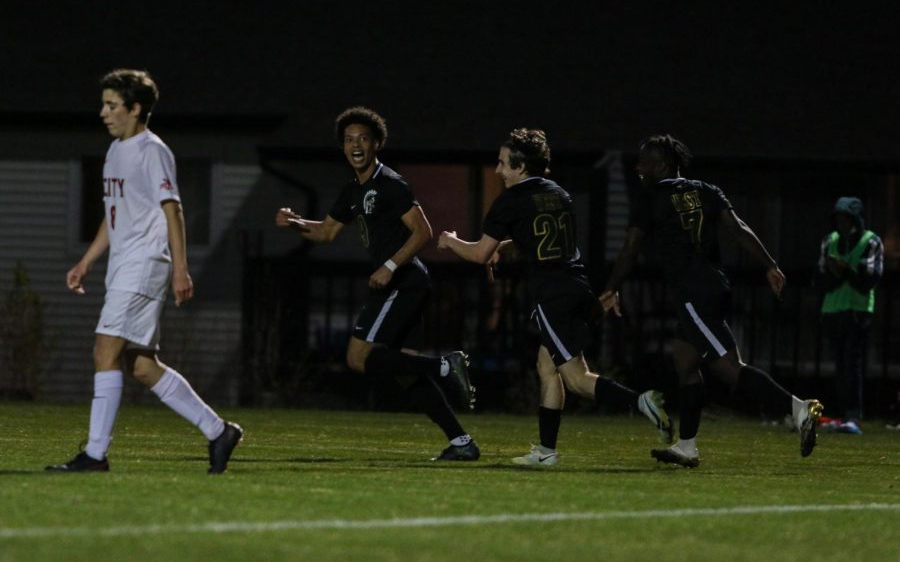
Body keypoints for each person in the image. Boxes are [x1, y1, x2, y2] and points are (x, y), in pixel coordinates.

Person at [438, 128, 672, 467]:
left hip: (553, 294)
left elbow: (477, 254)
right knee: (546, 367)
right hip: (577, 285)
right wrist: (503, 248)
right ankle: (546, 453)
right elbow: (537, 238)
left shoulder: (510, 201)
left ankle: (641, 403)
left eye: (503, 163)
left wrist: (449, 240)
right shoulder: (559, 194)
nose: (498, 170)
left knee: (576, 379)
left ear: (520, 168)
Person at [47, 69, 242, 474]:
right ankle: (219, 430)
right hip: (124, 265)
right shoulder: (116, 151)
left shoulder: (152, 150)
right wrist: (87, 261)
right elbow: (114, 214)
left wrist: (181, 269)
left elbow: (174, 209)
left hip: (145, 264)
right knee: (141, 365)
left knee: (105, 349)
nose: (103, 112)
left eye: (112, 105)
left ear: (135, 109)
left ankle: (96, 455)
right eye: (104, 104)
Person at [599, 134, 823, 468]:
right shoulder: (705, 190)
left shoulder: (651, 197)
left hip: (692, 292)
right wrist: (770, 265)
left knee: (730, 369)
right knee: (686, 363)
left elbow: (631, 249)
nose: (638, 167)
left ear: (661, 165)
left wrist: (611, 287)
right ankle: (687, 447)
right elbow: (738, 228)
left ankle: (798, 408)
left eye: (644, 161)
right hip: (712, 285)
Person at [275, 106, 479, 461]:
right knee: (405, 373)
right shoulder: (353, 190)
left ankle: (445, 365)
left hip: (404, 281)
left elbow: (423, 232)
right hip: (404, 283)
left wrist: (388, 265)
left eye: (363, 140)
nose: (356, 145)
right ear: (342, 147)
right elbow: (325, 232)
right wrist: (293, 222)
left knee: (358, 357)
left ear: (376, 145)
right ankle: (462, 443)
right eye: (349, 140)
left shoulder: (391, 184)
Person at [816, 196, 883, 434]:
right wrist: (840, 273)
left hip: (857, 311)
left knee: (852, 364)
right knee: (838, 364)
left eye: (846, 219)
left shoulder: (870, 241)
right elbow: (822, 280)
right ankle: (838, 412)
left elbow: (868, 280)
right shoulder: (830, 241)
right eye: (839, 219)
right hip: (833, 310)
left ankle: (852, 415)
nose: (842, 224)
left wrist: (844, 270)